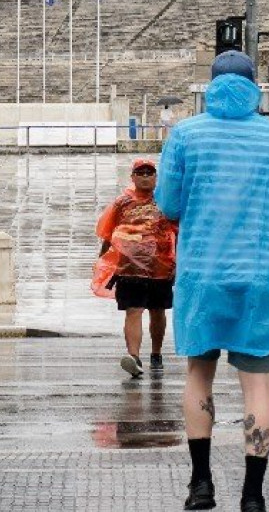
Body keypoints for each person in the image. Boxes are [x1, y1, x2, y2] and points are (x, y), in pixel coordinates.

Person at [155, 49, 269, 512]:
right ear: (254, 87)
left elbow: (167, 204)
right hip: (261, 278)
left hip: (203, 276)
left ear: (212, 85)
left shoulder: (185, 136)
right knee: (257, 385)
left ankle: (201, 484)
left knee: (198, 375)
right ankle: (252, 495)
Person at [95, 158, 178, 378]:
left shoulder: (166, 202)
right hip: (128, 268)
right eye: (140, 173)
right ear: (132, 177)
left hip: (161, 268)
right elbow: (107, 232)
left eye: (149, 173)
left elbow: (178, 231)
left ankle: (156, 353)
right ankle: (134, 357)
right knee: (133, 310)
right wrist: (103, 259)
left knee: (157, 312)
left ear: (155, 177)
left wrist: (179, 261)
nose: (144, 176)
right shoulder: (122, 202)